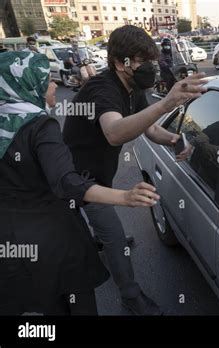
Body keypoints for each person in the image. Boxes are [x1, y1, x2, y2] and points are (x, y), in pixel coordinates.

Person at [0, 51, 160, 315]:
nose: (53, 85)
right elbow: (66, 183)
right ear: (26, 85)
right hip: (56, 241)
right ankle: (131, 298)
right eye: (46, 80)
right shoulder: (39, 126)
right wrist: (124, 197)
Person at [62, 25, 207, 315]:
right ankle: (131, 297)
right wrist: (166, 102)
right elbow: (115, 132)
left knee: (90, 226)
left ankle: (94, 238)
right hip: (75, 176)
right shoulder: (101, 89)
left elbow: (149, 127)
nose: (149, 67)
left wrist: (176, 140)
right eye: (141, 61)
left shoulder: (133, 88)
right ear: (119, 62)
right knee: (114, 237)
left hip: (99, 171)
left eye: (150, 59)